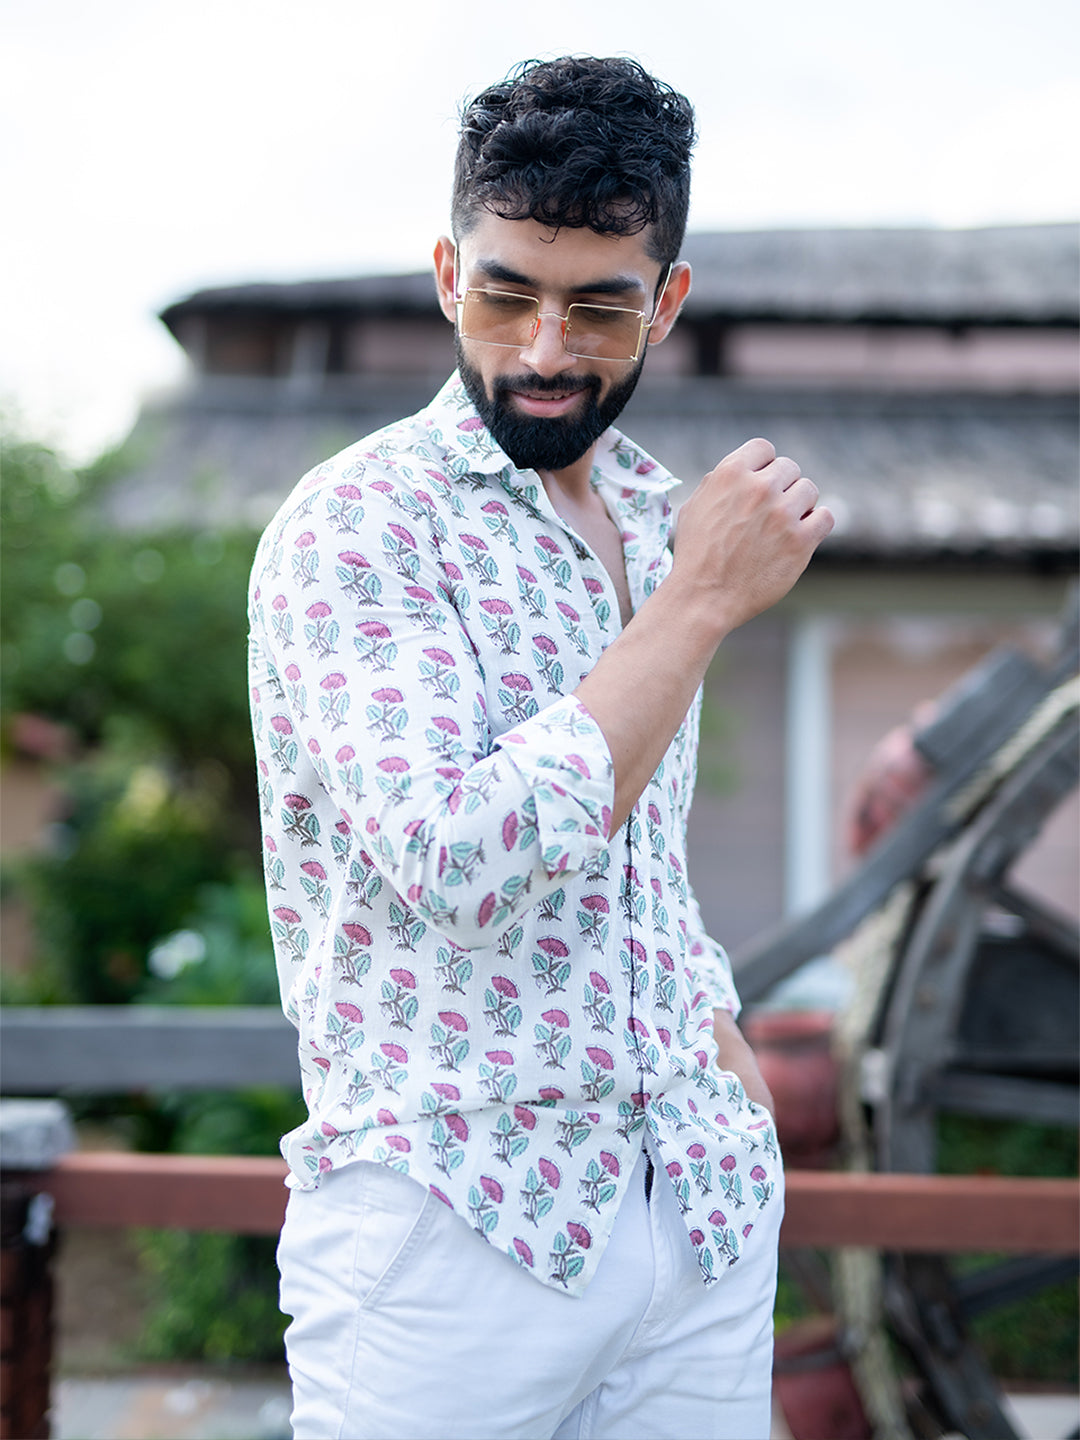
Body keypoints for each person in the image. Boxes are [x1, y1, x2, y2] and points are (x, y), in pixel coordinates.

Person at [249, 55, 833, 1440]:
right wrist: (698, 605)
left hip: (694, 1214)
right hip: (452, 1239)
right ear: (449, 272)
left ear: (667, 302)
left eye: (598, 305)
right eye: (506, 293)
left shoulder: (653, 517)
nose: (546, 351)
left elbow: (640, 855)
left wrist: (715, 1043)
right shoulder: (358, 530)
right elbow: (461, 858)